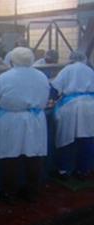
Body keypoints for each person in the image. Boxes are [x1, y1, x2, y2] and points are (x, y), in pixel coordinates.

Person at [0, 47, 50, 203]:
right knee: (34, 156)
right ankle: (32, 192)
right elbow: (46, 96)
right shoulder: (41, 76)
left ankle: (10, 193)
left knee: (10, 157)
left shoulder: (5, 77)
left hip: (11, 121)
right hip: (35, 119)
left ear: (12, 60)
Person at [51, 51, 94, 179]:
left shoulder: (67, 69)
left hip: (71, 106)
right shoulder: (90, 70)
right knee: (87, 138)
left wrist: (51, 99)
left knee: (66, 138)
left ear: (71, 59)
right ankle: (84, 170)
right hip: (90, 106)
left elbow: (54, 88)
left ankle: (64, 170)